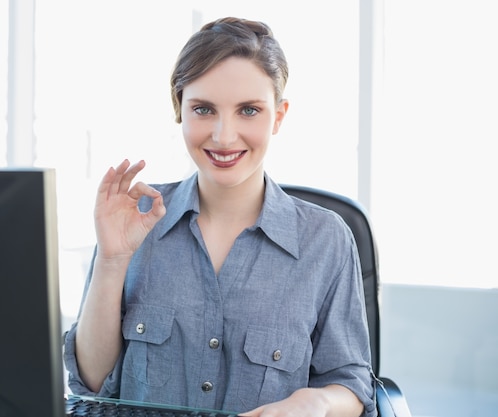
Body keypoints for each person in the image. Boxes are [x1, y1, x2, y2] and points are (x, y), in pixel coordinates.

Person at [64, 16, 376, 417]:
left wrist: (314, 401)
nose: (224, 136)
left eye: (248, 110)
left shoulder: (326, 239)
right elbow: (90, 386)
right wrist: (111, 262)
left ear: (278, 116)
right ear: (180, 109)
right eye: (204, 109)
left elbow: (353, 384)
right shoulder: (135, 218)